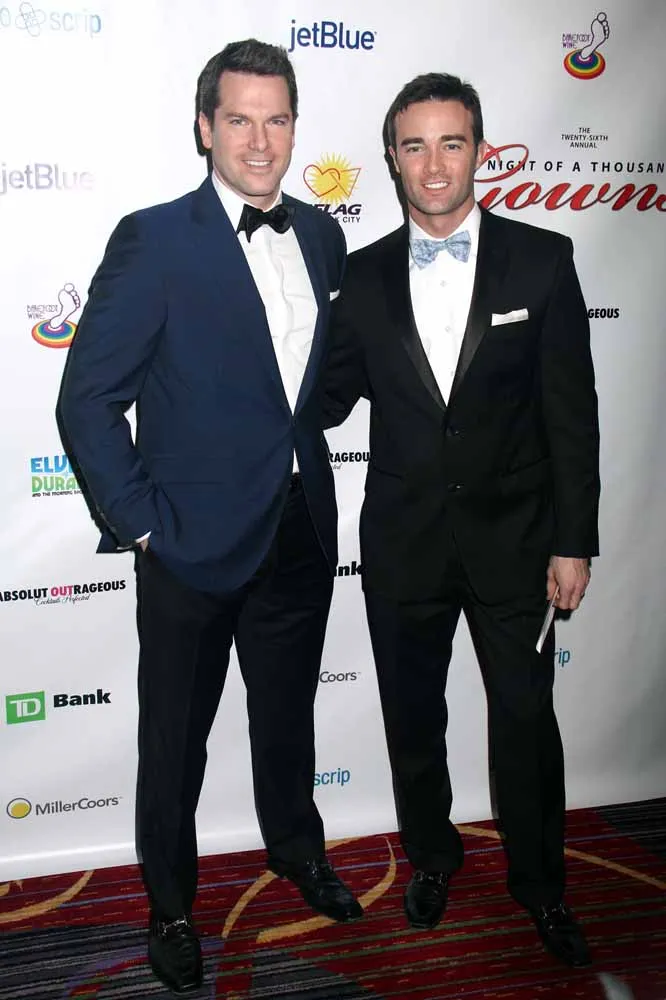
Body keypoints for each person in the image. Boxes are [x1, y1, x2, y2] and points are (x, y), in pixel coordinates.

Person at [58, 38, 361, 996]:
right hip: (188, 544)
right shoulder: (154, 239)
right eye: (239, 120)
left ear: (295, 128)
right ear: (204, 127)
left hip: (299, 525)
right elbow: (87, 401)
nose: (260, 142)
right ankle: (172, 907)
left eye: (277, 120)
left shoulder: (323, 237)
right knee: (174, 740)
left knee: (289, 717)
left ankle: (297, 850)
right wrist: (145, 525)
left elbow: (309, 387)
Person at [323, 73, 600, 967]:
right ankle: (433, 858)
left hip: (518, 543)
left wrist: (574, 540)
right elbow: (324, 398)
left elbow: (572, 415)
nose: (435, 164)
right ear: (392, 157)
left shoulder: (543, 259)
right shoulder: (360, 276)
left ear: (480, 151)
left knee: (525, 720)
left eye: (452, 143)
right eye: (415, 145)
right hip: (403, 542)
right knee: (413, 720)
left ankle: (543, 887)